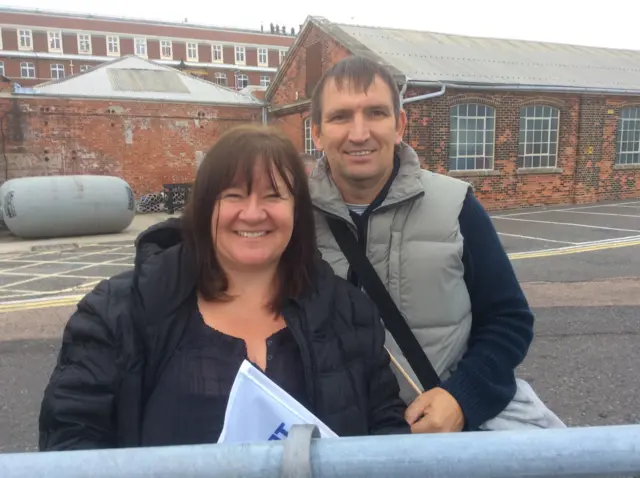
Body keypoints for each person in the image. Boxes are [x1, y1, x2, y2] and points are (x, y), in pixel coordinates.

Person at [38, 124, 410, 451]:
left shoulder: (349, 312)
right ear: (204, 207)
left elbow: (386, 436)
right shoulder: (115, 314)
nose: (252, 213)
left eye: (273, 195)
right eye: (233, 195)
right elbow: (71, 442)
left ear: (297, 210)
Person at [308, 55, 535, 434]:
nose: (359, 133)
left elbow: (509, 321)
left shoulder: (456, 207)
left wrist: (462, 398)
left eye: (376, 113)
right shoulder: (287, 218)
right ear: (317, 133)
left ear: (399, 125)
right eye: (340, 117)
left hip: (439, 437)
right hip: (337, 440)